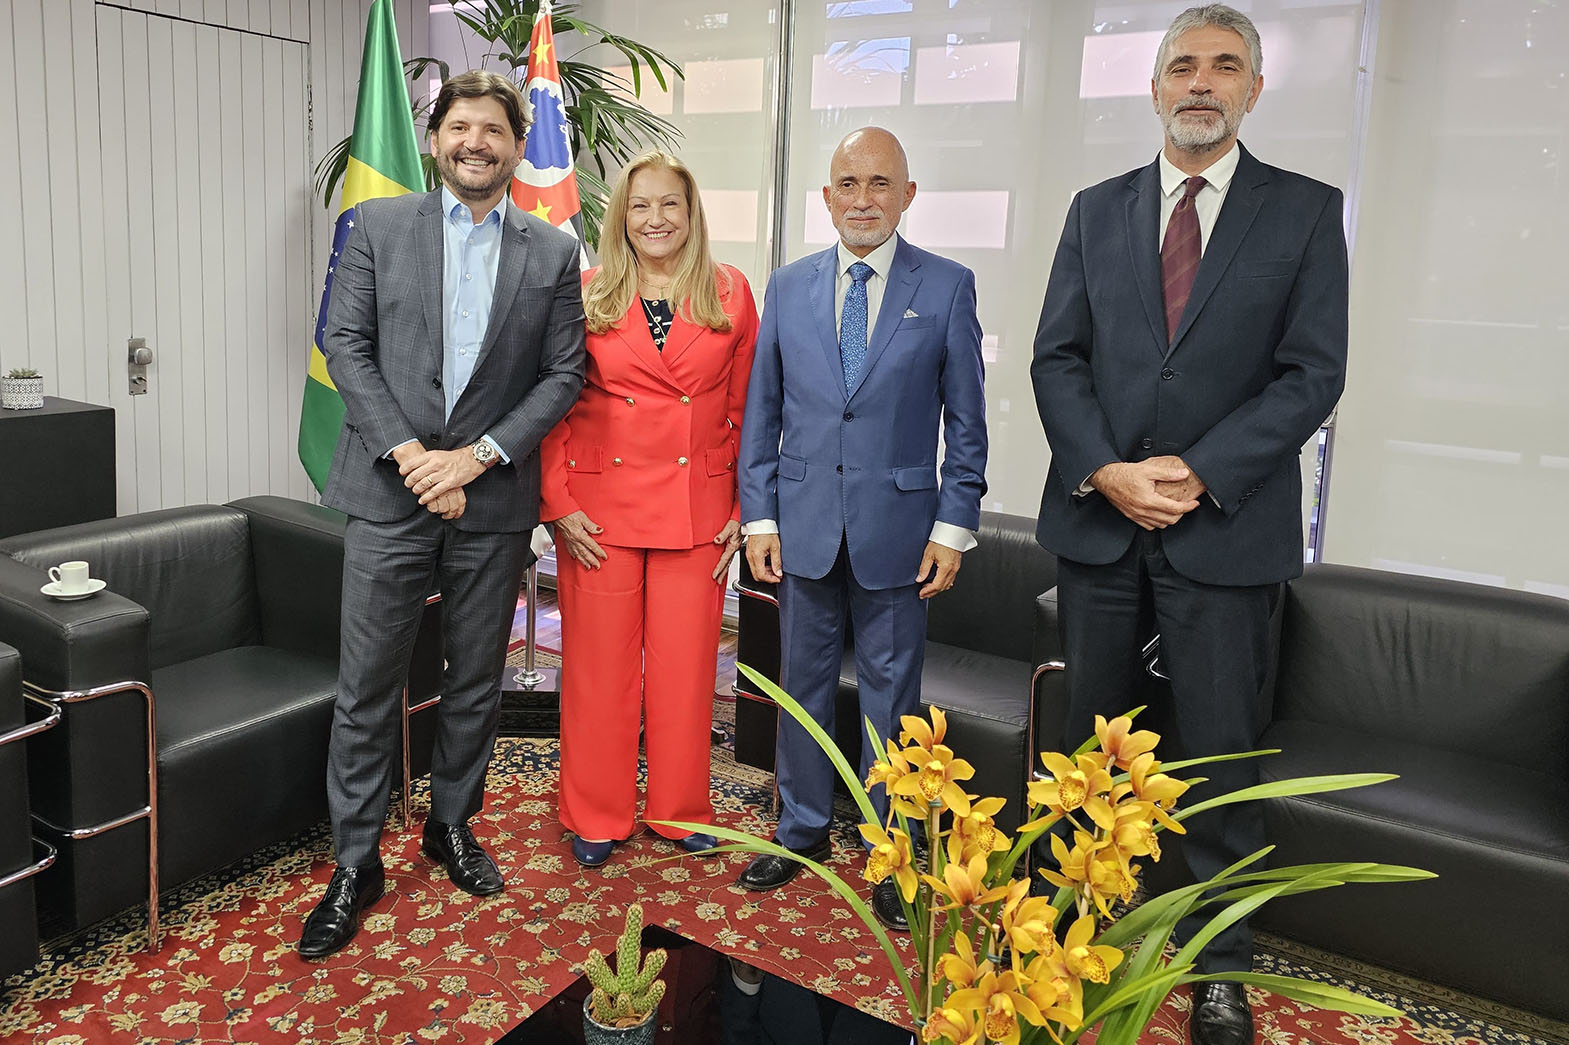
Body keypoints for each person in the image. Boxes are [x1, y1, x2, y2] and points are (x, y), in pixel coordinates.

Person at [1030, 6, 1349, 1043]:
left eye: (1224, 66)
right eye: (1183, 65)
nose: (1201, 82)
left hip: (1226, 535)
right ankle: (1076, 931)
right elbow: (1058, 360)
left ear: (1255, 89)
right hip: (1103, 530)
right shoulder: (1094, 209)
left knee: (1218, 761)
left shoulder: (1304, 213)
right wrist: (1109, 472)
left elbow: (1313, 375)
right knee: (1090, 757)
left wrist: (1201, 472)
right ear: (1155, 87)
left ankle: (1221, 967)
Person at [301, 70, 587, 959]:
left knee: (473, 682)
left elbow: (565, 372)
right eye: (460, 127)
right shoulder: (379, 227)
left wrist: (479, 456)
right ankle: (355, 861)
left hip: (493, 499)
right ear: (436, 141)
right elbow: (343, 344)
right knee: (366, 687)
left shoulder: (551, 250)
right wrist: (417, 457)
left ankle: (450, 825)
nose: (476, 143)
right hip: (390, 492)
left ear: (513, 146)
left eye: (493, 130)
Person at [736, 128, 988, 932]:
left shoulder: (946, 287)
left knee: (894, 702)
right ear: (826, 196)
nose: (862, 199)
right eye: (846, 183)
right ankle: (800, 829)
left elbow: (967, 425)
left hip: (899, 534)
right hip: (802, 527)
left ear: (907, 195)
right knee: (800, 691)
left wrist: (952, 528)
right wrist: (760, 514)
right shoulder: (788, 285)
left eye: (880, 183)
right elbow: (763, 413)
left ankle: (893, 848)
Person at [540, 151, 757, 867]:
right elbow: (552, 404)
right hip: (598, 510)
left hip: (698, 509)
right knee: (599, 672)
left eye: (669, 204)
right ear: (620, 217)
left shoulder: (729, 291)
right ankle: (596, 813)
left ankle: (678, 809)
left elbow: (746, 408)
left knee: (687, 670)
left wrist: (742, 505)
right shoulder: (584, 291)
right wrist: (557, 502)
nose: (655, 219)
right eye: (639, 206)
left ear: (690, 213)